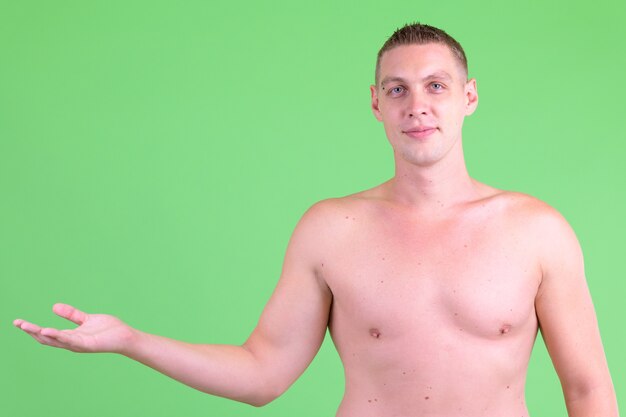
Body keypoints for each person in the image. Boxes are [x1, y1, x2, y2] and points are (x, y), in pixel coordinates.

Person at [14, 23, 618, 417]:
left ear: (469, 97)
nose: (418, 105)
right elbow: (262, 374)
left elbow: (589, 391)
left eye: (436, 85)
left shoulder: (536, 231)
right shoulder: (333, 229)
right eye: (398, 90)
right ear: (376, 103)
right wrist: (130, 340)